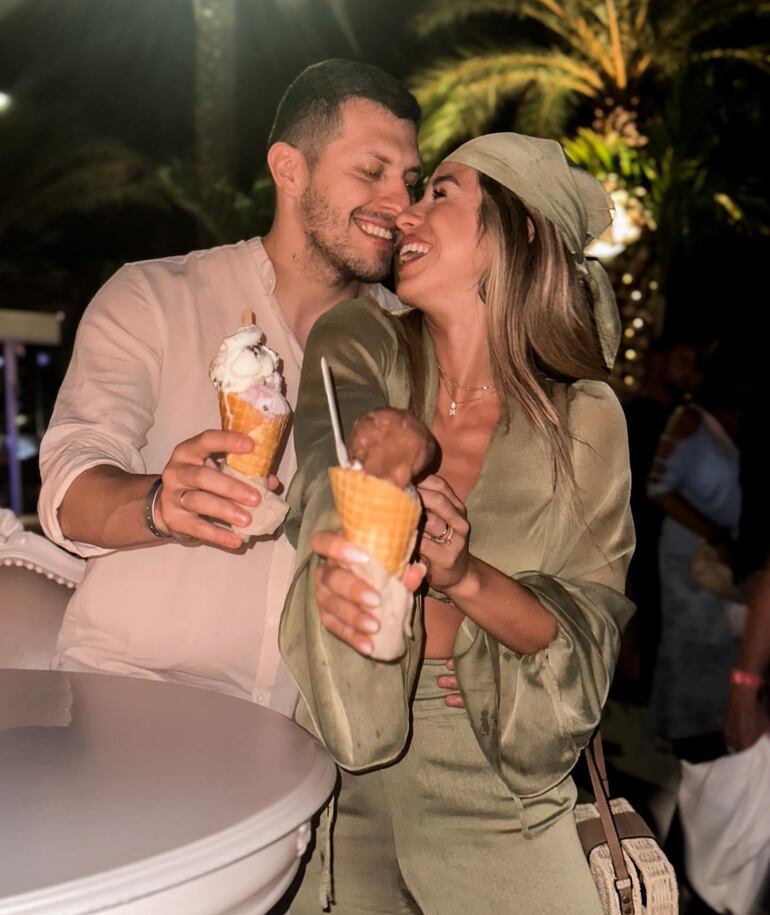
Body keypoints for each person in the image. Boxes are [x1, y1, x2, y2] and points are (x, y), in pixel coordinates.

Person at [279, 133, 635, 912]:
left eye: (442, 191)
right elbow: (328, 466)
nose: (409, 211)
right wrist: (388, 461)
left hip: (496, 773)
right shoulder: (361, 341)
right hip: (345, 759)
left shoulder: (584, 418)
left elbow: (587, 630)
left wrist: (464, 575)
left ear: (522, 227)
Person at [37, 59, 421, 715]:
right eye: (371, 171)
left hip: (304, 731)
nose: (402, 205)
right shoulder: (156, 295)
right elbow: (70, 487)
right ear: (289, 169)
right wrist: (162, 501)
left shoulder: (409, 343)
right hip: (129, 698)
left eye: (411, 182)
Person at [647, 346, 746, 760]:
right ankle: (683, 738)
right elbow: (657, 487)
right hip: (690, 552)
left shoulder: (737, 428)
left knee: (718, 645)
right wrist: (713, 534)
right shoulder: (689, 422)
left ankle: (695, 735)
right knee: (689, 642)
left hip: (724, 555)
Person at [622, 338, 701, 696]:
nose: (690, 374)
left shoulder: (690, 421)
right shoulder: (629, 415)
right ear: (659, 359)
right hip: (630, 540)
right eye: (683, 360)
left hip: (672, 548)